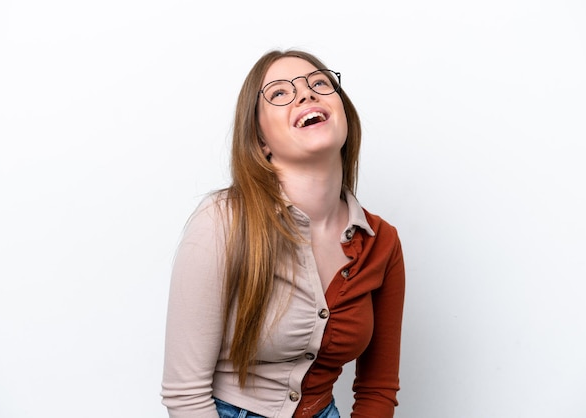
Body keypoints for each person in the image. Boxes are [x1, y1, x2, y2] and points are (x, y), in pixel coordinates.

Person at [161, 49, 405, 418]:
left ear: (344, 115)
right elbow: (186, 395)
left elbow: (377, 390)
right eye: (279, 93)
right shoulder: (223, 221)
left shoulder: (381, 242)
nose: (306, 94)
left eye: (320, 83)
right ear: (260, 141)